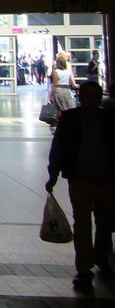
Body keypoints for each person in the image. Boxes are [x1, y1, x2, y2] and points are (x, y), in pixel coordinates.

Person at [45, 81, 115, 290]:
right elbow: (58, 146)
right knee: (82, 224)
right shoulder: (70, 119)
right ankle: (84, 268)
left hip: (106, 179)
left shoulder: (109, 119)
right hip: (80, 180)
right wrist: (53, 173)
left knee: (105, 223)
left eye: (96, 95)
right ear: (80, 97)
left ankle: (102, 256)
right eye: (88, 95)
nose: (92, 100)